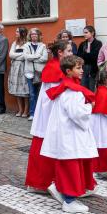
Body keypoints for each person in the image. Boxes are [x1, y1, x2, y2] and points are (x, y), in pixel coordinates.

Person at [42, 55, 98, 213]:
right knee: (71, 166)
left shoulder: (67, 87)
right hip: (71, 135)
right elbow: (77, 114)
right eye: (78, 68)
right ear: (68, 71)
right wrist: (90, 106)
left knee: (67, 165)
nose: (82, 71)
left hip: (66, 133)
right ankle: (69, 200)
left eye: (81, 67)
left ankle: (61, 189)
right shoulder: (73, 92)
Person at [25, 40, 72, 192]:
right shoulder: (55, 68)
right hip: (50, 113)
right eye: (69, 51)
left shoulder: (60, 67)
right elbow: (54, 94)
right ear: (61, 53)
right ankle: (42, 182)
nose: (71, 54)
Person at [23, 28, 47, 120]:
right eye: (32, 34)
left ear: (38, 36)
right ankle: (32, 113)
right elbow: (26, 57)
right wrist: (38, 56)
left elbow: (44, 58)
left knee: (40, 93)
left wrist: (32, 57)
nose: (34, 36)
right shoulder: (26, 45)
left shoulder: (43, 46)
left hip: (40, 72)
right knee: (32, 94)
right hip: (29, 72)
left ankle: (39, 113)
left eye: (36, 34)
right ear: (30, 36)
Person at [8, 27, 29, 117]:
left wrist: (16, 56)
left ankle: (26, 110)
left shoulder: (27, 44)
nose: (15, 33)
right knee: (17, 89)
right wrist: (20, 55)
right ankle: (20, 109)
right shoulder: (14, 43)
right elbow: (10, 55)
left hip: (24, 67)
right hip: (15, 68)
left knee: (24, 89)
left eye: (17, 31)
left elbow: (26, 56)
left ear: (22, 33)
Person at [77, 25, 102, 90]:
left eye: (86, 32)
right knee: (83, 87)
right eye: (84, 33)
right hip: (83, 68)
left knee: (92, 88)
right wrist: (88, 55)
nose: (84, 34)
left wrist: (85, 55)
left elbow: (95, 56)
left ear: (92, 33)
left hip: (93, 69)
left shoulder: (98, 43)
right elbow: (78, 56)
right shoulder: (82, 44)